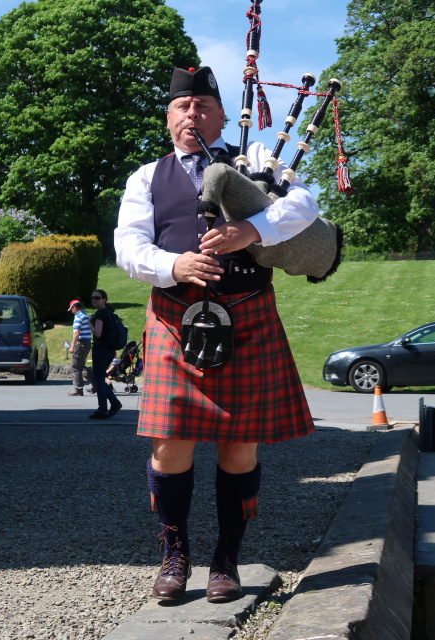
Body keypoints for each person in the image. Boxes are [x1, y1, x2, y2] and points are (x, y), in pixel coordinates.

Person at [114, 66, 317, 603]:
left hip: (248, 318)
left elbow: (304, 206)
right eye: (183, 107)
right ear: (168, 118)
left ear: (223, 114)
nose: (192, 115)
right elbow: (129, 247)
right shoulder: (146, 177)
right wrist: (173, 266)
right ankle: (174, 555)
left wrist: (254, 230)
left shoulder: (254, 164)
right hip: (173, 321)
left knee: (238, 451)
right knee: (168, 449)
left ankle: (226, 559)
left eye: (203, 105)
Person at [88, 289, 122, 420]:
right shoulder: (109, 313)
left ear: (104, 299)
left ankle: (103, 409)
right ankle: (114, 403)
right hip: (109, 350)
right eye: (92, 298)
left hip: (101, 349)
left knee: (99, 380)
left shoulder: (101, 313)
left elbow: (97, 333)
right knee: (100, 378)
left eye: (97, 298)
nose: (94, 300)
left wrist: (89, 323)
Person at [67, 299, 93, 397]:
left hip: (81, 343)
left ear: (74, 308)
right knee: (81, 366)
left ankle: (78, 389)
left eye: (71, 309)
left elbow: (77, 332)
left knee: (75, 366)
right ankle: (96, 384)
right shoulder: (86, 316)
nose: (71, 312)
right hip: (87, 342)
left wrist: (72, 346)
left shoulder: (78, 317)